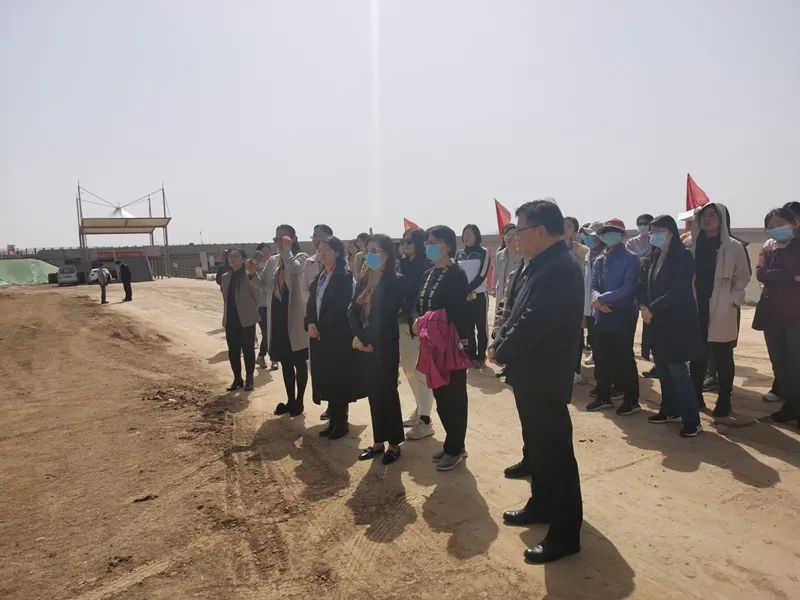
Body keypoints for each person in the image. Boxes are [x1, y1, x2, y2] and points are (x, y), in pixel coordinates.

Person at [489, 199, 583, 564]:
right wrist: (499, 340)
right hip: (530, 372)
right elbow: (513, 311)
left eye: (521, 229)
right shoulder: (537, 264)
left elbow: (534, 320)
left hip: (545, 373)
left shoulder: (560, 268)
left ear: (540, 231)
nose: (516, 236)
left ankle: (565, 533)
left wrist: (502, 350)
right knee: (539, 448)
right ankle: (542, 504)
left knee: (556, 454)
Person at [640, 216, 704, 437]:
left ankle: (692, 419)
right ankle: (669, 410)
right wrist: (643, 306)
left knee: (678, 371)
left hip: (676, 321)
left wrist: (652, 308)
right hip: (656, 322)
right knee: (663, 370)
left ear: (671, 232)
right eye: (652, 231)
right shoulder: (654, 255)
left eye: (659, 230)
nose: (654, 235)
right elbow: (646, 286)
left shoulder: (683, 256)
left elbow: (678, 291)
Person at [414, 225, 470, 471]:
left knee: (454, 396)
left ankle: (455, 448)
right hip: (430, 343)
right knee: (440, 395)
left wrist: (424, 320)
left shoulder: (456, 274)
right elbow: (418, 304)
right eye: (427, 242)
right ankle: (453, 443)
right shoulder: (427, 274)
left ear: (447, 246)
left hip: (449, 343)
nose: (428, 246)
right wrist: (417, 320)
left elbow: (457, 311)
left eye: (433, 242)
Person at [688, 203, 751, 418]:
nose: (707, 219)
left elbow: (743, 276)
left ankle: (724, 398)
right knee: (697, 354)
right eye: (703, 215)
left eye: (712, 215)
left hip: (722, 306)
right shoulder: (690, 243)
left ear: (722, 218)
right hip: (696, 305)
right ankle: (696, 395)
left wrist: (732, 298)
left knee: (723, 355)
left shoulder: (733, 246)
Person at [350, 234, 407, 465]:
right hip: (364, 344)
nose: (369, 255)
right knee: (373, 393)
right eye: (367, 250)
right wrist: (359, 337)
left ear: (387, 254)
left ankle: (394, 444)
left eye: (375, 250)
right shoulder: (364, 279)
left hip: (385, 345)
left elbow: (385, 316)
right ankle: (378, 441)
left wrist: (367, 340)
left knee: (388, 393)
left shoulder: (397, 281)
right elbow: (352, 310)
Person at [306, 237, 366, 439]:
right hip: (319, 335)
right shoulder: (320, 277)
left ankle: (341, 422)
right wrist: (309, 323)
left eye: (326, 250)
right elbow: (311, 304)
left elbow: (341, 309)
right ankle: (333, 419)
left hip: (337, 335)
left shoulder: (344, 277)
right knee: (326, 377)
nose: (321, 253)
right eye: (320, 250)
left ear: (337, 253)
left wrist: (319, 326)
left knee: (338, 379)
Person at [588, 219, 641, 415]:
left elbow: (629, 287)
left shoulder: (631, 258)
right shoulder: (599, 259)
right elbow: (594, 285)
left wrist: (601, 299)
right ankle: (603, 396)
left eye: (614, 232)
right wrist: (597, 300)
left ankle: (631, 400)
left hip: (623, 312)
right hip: (602, 314)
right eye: (606, 233)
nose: (610, 236)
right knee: (602, 357)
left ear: (621, 235)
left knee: (624, 358)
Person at [753, 207, 800, 427]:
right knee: (779, 364)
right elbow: (761, 274)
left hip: (796, 316)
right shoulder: (768, 247)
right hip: (772, 316)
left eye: (780, 224)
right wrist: (792, 277)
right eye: (771, 227)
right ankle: (791, 405)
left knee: (795, 364)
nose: (775, 230)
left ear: (794, 223)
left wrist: (783, 255)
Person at [259, 225, 310, 417]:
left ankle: (300, 401)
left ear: (293, 239)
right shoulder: (273, 260)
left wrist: (287, 250)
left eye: (284, 239)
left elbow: (294, 269)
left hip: (295, 317)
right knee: (286, 363)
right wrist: (252, 273)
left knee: (299, 362)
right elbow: (263, 285)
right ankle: (290, 400)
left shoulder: (302, 257)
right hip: (279, 316)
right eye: (277, 239)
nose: (279, 243)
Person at [398, 227, 437, 440]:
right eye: (403, 241)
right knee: (408, 368)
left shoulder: (427, 266)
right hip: (402, 322)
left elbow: (419, 297)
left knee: (420, 372)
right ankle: (420, 408)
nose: (404, 245)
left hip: (418, 324)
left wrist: (405, 308)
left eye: (409, 242)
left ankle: (425, 420)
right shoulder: (403, 264)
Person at [220, 249, 261, 392]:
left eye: (236, 256)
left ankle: (249, 378)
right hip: (231, 320)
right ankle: (237, 378)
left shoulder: (249, 275)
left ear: (244, 260)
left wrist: (253, 273)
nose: (232, 258)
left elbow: (257, 291)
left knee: (248, 350)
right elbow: (226, 298)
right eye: (231, 256)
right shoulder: (225, 277)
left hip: (246, 320)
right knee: (233, 351)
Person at [456, 224, 490, 368]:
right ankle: (471, 356)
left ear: (477, 235)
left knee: (481, 327)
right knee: (468, 327)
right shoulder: (459, 254)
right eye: (465, 234)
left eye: (470, 234)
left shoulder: (484, 252)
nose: (466, 237)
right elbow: (456, 274)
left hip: (479, 295)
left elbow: (482, 274)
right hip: (464, 297)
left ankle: (481, 356)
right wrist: (463, 292)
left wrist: (467, 289)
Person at [627, 214, 655, 366]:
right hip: (633, 283)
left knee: (648, 319)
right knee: (631, 318)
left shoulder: (656, 240)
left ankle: (647, 351)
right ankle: (628, 351)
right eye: (640, 224)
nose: (643, 226)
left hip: (649, 284)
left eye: (646, 223)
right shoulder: (632, 242)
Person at [564, 216, 588, 384]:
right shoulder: (550, 248)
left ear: (574, 231)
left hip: (576, 297)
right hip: (557, 299)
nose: (564, 228)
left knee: (577, 335)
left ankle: (575, 370)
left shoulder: (581, 250)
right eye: (562, 225)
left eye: (569, 226)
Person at [580, 222, 606, 368]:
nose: (589, 239)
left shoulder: (606, 254)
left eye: (593, 236)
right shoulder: (588, 253)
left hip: (602, 301)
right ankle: (595, 354)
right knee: (592, 331)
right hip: (589, 300)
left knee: (602, 333)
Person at [254, 243, 279, 371]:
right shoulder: (254, 268)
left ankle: (265, 356)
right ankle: (269, 357)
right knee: (266, 332)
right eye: (263, 251)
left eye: (268, 251)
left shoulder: (275, 264)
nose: (266, 254)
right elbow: (257, 285)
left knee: (273, 332)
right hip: (261, 305)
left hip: (274, 303)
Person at [493, 224, 523, 307]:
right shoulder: (499, 255)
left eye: (513, 235)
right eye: (507, 235)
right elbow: (498, 276)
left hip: (517, 297)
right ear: (503, 237)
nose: (510, 238)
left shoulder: (524, 255)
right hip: (501, 296)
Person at [303, 224, 334, 296]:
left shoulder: (339, 261)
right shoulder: (309, 262)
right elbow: (304, 288)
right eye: (314, 237)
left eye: (319, 236)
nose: (315, 240)